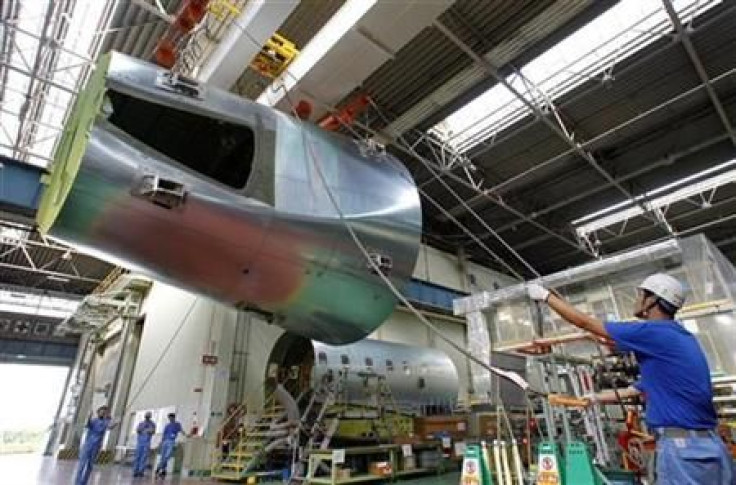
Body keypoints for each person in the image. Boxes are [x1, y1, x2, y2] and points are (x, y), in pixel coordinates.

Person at [528, 273, 734, 484]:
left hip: (684, 452)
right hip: (711, 446)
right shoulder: (678, 338)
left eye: (640, 294)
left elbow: (586, 322)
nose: (636, 299)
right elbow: (635, 389)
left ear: (653, 300)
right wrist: (595, 398)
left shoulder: (653, 331)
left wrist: (545, 297)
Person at [75, 405, 118, 485]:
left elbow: (110, 426)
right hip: (88, 445)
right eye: (101, 411)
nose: (102, 413)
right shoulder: (94, 420)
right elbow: (87, 425)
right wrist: (88, 416)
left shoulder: (105, 422)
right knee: (82, 465)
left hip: (96, 447)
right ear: (98, 412)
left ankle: (84, 482)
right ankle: (77, 483)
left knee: (90, 466)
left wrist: (115, 423)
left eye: (104, 412)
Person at [155, 413, 188, 478]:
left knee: (167, 456)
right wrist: (161, 443)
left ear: (173, 418)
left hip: (171, 441)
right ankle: (163, 471)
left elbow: (181, 430)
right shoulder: (167, 425)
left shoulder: (177, 424)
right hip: (165, 441)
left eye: (171, 418)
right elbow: (164, 434)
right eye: (169, 418)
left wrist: (186, 435)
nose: (170, 419)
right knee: (163, 456)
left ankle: (158, 467)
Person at [133, 411, 156, 477]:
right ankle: (135, 470)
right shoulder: (141, 423)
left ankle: (141, 471)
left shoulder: (152, 424)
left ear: (150, 416)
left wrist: (147, 430)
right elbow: (138, 430)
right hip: (140, 442)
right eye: (146, 415)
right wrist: (145, 429)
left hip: (146, 442)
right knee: (137, 456)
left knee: (144, 457)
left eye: (148, 415)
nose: (147, 416)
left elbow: (152, 431)